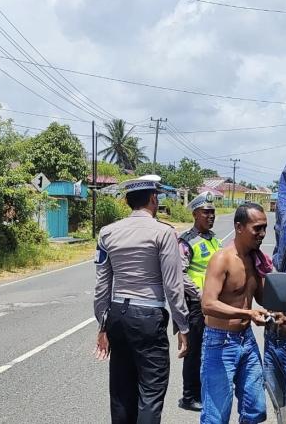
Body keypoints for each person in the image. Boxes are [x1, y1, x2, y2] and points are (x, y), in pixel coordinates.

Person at [93, 174, 190, 424]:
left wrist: (103, 325)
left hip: (118, 315)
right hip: (148, 316)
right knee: (150, 392)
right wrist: (182, 326)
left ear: (128, 201)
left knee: (121, 393)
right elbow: (173, 285)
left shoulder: (107, 232)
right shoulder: (164, 233)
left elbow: (102, 285)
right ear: (153, 198)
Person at [200, 202, 272, 424]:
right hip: (219, 342)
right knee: (216, 416)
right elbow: (208, 304)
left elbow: (262, 298)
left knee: (255, 408)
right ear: (239, 227)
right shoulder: (222, 259)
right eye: (257, 228)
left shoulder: (255, 259)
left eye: (264, 228)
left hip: (246, 340)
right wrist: (248, 314)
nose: (262, 234)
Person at [176, 191, 222, 412]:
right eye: (206, 212)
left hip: (214, 304)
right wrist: (200, 293)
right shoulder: (186, 241)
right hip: (196, 304)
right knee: (194, 353)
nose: (210, 216)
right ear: (195, 214)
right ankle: (189, 396)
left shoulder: (214, 239)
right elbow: (180, 273)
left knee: (211, 350)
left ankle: (205, 392)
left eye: (212, 212)